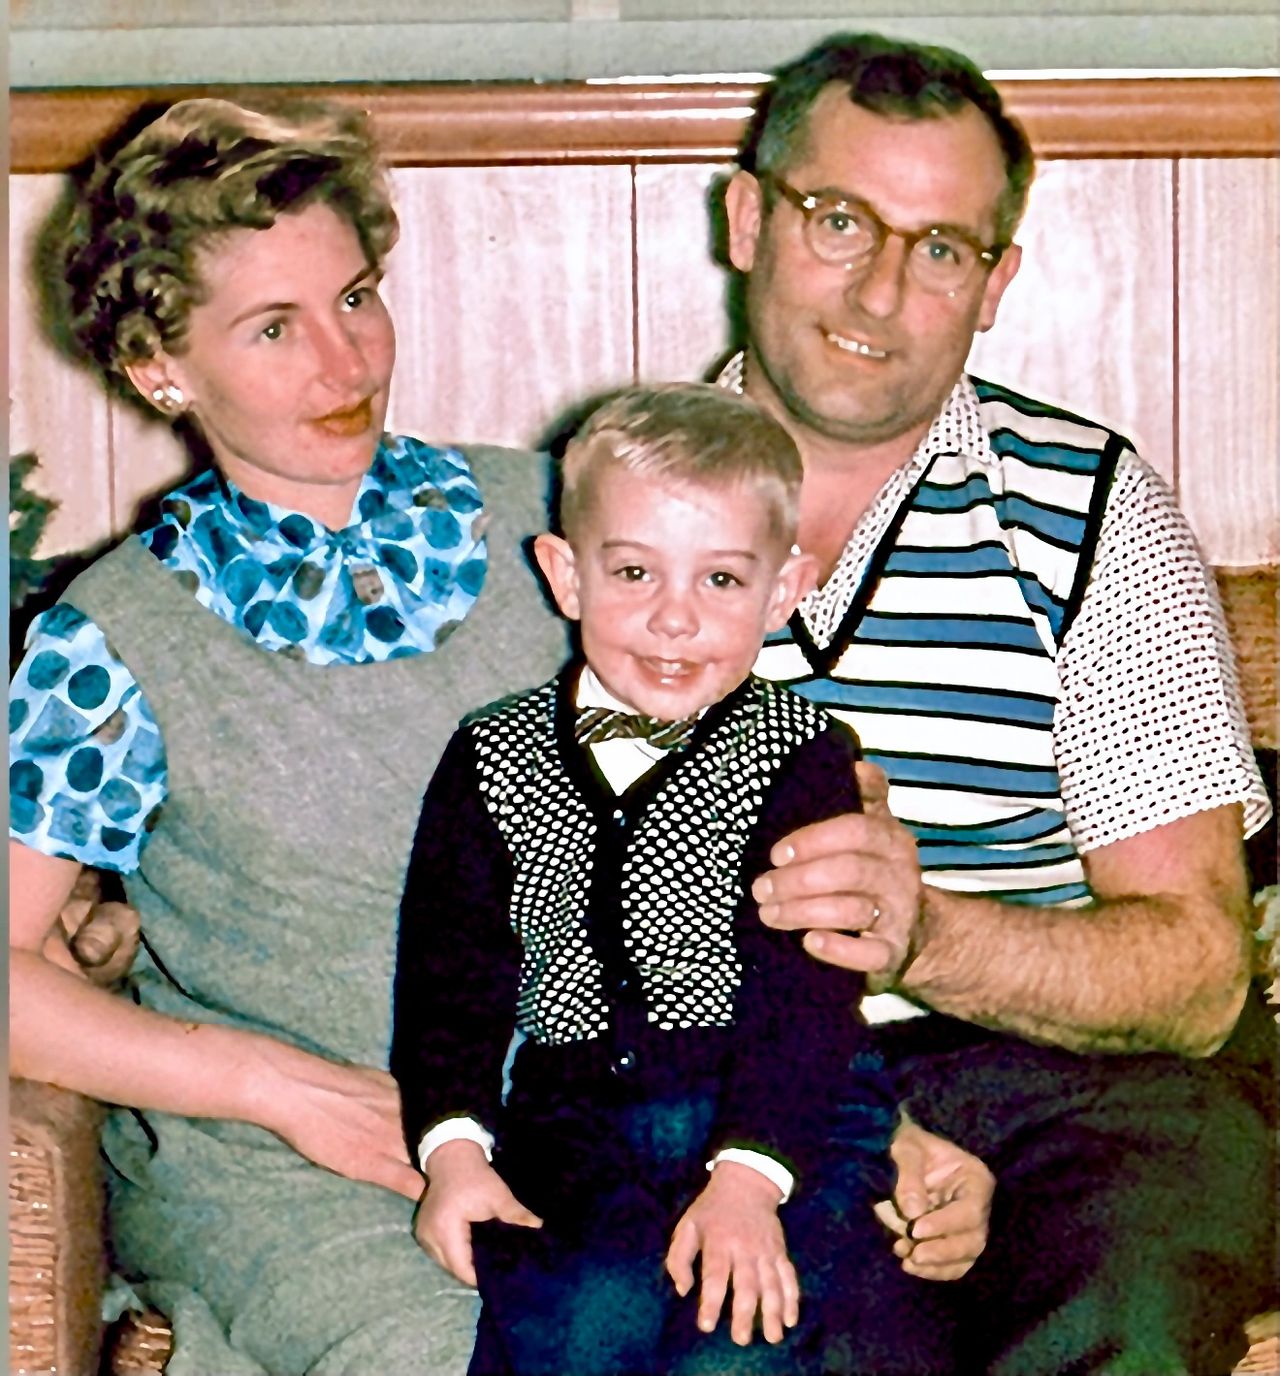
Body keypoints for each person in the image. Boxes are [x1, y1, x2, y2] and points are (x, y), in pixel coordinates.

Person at [8, 96, 992, 1374]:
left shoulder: (565, 521)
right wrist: (275, 1087)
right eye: (273, 325)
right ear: (157, 364)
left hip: (649, 1118)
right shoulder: (109, 643)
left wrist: (856, 1119)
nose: (345, 361)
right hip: (324, 1168)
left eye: (356, 296)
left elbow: (761, 847)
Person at [717, 30, 1275, 1375]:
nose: (882, 288)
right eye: (838, 218)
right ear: (748, 217)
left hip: (1073, 1093)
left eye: (942, 247)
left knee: (1127, 1280)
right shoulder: (601, 510)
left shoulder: (1089, 514)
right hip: (731, 1087)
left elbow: (1200, 976)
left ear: (996, 281)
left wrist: (919, 934)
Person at [393, 383, 964, 1376]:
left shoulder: (799, 754)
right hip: (573, 1115)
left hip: (783, 1107)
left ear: (781, 591)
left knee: (739, 1335)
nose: (671, 618)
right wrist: (452, 1151)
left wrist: (750, 1178)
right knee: (573, 1318)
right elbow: (450, 977)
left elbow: (808, 991)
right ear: (565, 574)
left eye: (719, 582)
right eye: (632, 572)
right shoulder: (488, 752)